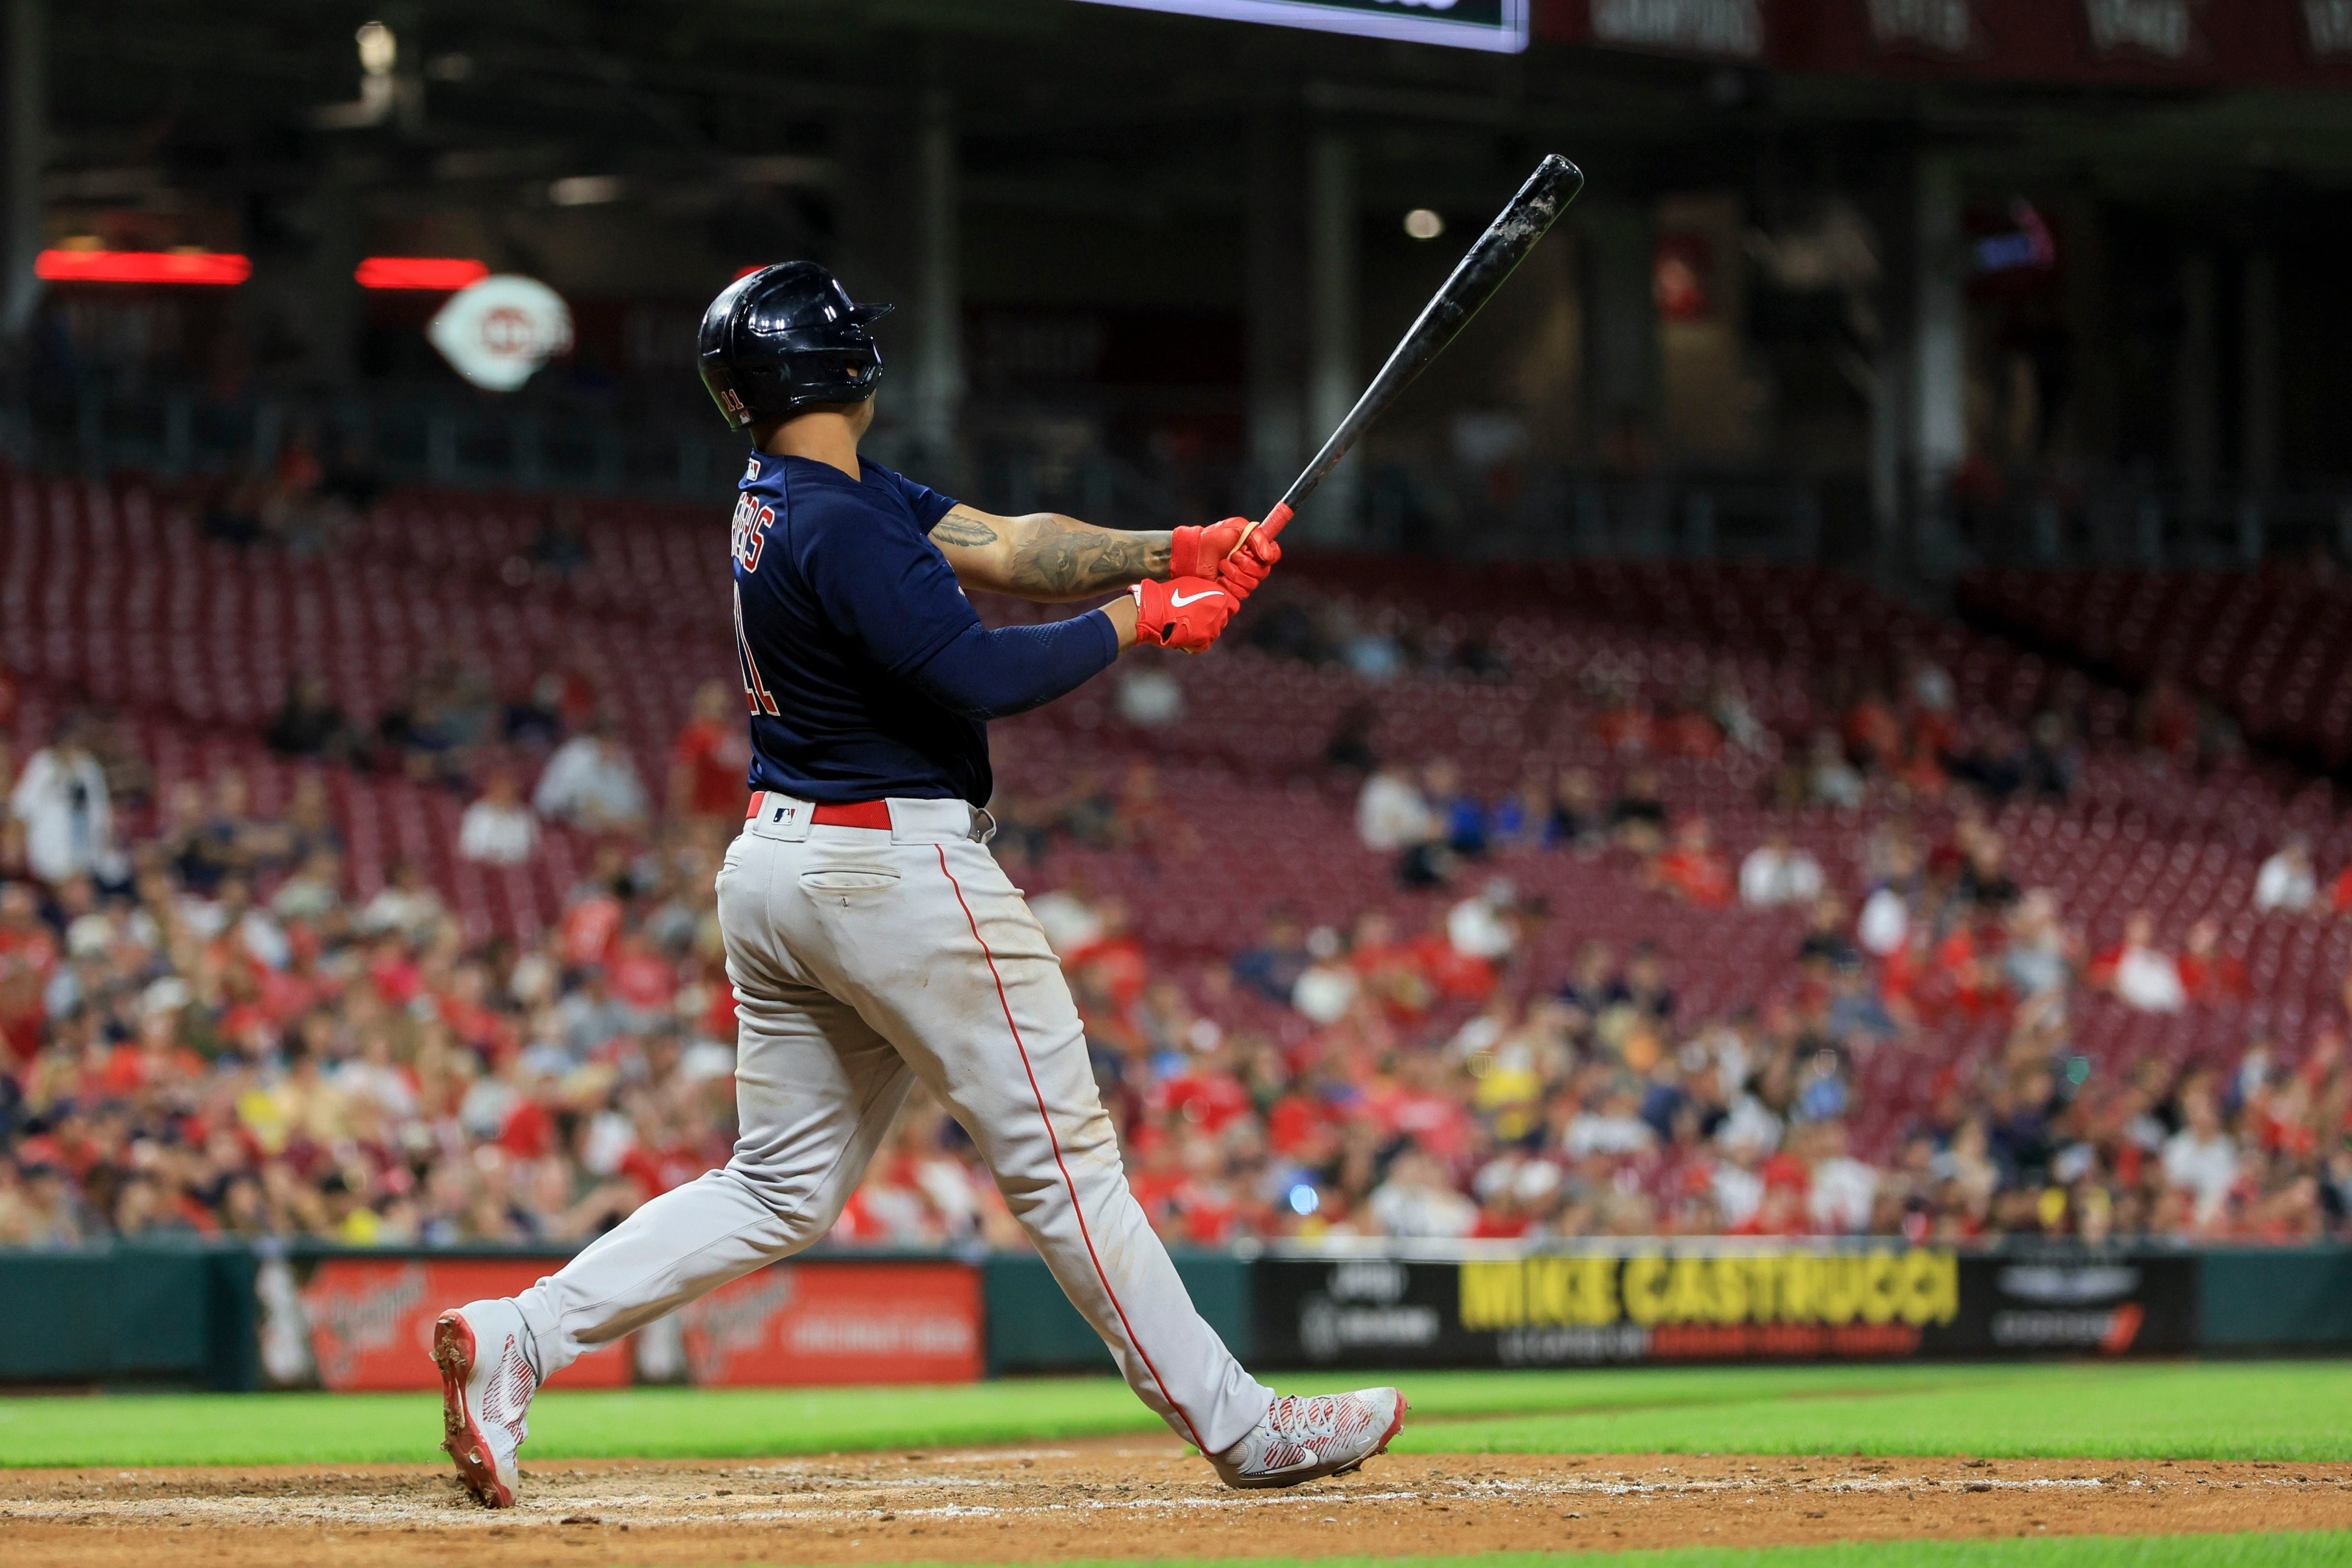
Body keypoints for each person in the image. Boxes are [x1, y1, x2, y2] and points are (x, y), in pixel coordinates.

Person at [430, 262, 1397, 1509]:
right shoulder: (836, 522)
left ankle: (520, 1336)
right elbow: (978, 677)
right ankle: (1242, 1422)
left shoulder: (802, 494)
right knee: (1064, 1162)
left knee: (775, 1187)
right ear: (844, 368)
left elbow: (1007, 545)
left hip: (784, 865)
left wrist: (1173, 548)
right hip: (894, 869)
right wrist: (1146, 618)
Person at [533, 715, 651, 832]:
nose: (616, 746)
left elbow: (638, 805)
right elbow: (576, 805)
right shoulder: (577, 754)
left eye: (618, 741)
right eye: (610, 740)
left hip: (612, 822)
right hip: (562, 820)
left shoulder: (621, 759)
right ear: (597, 738)